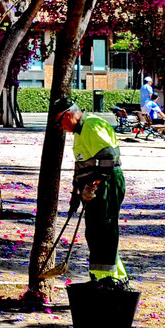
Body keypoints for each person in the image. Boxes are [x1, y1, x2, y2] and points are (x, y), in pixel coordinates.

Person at [55, 97, 128, 287]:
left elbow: (109, 159)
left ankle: (114, 280)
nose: (60, 127)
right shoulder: (79, 133)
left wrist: (92, 186)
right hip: (94, 187)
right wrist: (75, 194)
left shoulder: (92, 125)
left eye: (59, 121)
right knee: (94, 232)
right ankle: (99, 278)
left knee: (105, 229)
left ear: (68, 115)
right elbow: (81, 168)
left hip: (107, 184)